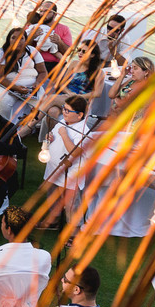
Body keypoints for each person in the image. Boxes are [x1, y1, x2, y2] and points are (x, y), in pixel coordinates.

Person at [40, 94, 90, 229]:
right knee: (53, 198)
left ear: (79, 115)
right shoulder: (62, 121)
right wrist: (48, 139)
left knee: (71, 205)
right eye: (64, 108)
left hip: (71, 173)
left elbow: (75, 152)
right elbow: (53, 138)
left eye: (68, 110)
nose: (64, 112)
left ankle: (74, 232)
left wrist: (63, 134)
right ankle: (53, 221)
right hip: (54, 168)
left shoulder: (83, 130)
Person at [0, 26, 48, 124]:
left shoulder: (32, 51)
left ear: (25, 40)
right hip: (7, 86)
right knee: (3, 104)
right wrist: (16, 88)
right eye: (13, 38)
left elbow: (43, 72)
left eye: (21, 38)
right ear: (8, 39)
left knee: (42, 105)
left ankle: (34, 126)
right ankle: (2, 127)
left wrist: (37, 84)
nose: (17, 41)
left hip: (31, 86)